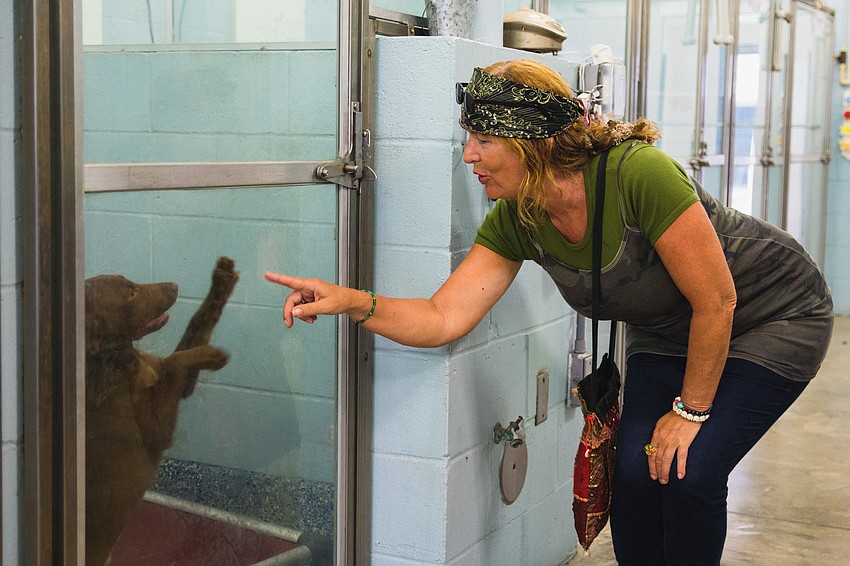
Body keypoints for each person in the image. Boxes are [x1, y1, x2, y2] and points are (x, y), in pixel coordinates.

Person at [265, 59, 833, 565]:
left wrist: (690, 412)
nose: (468, 156)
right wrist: (352, 302)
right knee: (635, 475)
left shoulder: (638, 174)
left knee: (690, 471)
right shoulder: (518, 217)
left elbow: (718, 300)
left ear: (530, 140)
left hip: (774, 314)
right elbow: (443, 317)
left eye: (482, 139)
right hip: (668, 330)